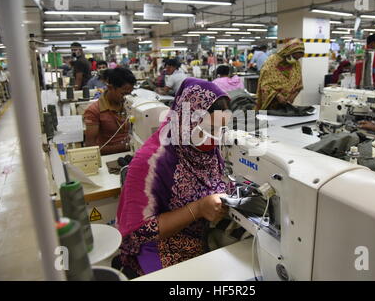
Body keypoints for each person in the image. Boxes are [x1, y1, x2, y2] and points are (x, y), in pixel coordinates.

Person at [115, 78, 231, 277]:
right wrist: (198, 209)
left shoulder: (207, 152)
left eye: (220, 129)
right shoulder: (151, 161)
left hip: (201, 243)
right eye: (210, 129)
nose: (216, 137)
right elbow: (138, 230)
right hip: (161, 249)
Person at [84, 68, 136, 155]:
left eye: (129, 94)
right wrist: (126, 147)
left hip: (132, 152)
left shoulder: (130, 105)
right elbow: (91, 147)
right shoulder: (94, 110)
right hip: (108, 158)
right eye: (123, 94)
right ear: (110, 87)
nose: (126, 97)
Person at [255, 38, 305, 110]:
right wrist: (277, 95)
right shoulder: (272, 61)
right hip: (269, 104)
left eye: (298, 58)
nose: (295, 60)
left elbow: (299, 84)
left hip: (285, 105)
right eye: (294, 57)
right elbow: (264, 84)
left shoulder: (296, 64)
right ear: (288, 51)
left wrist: (292, 97)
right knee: (266, 120)